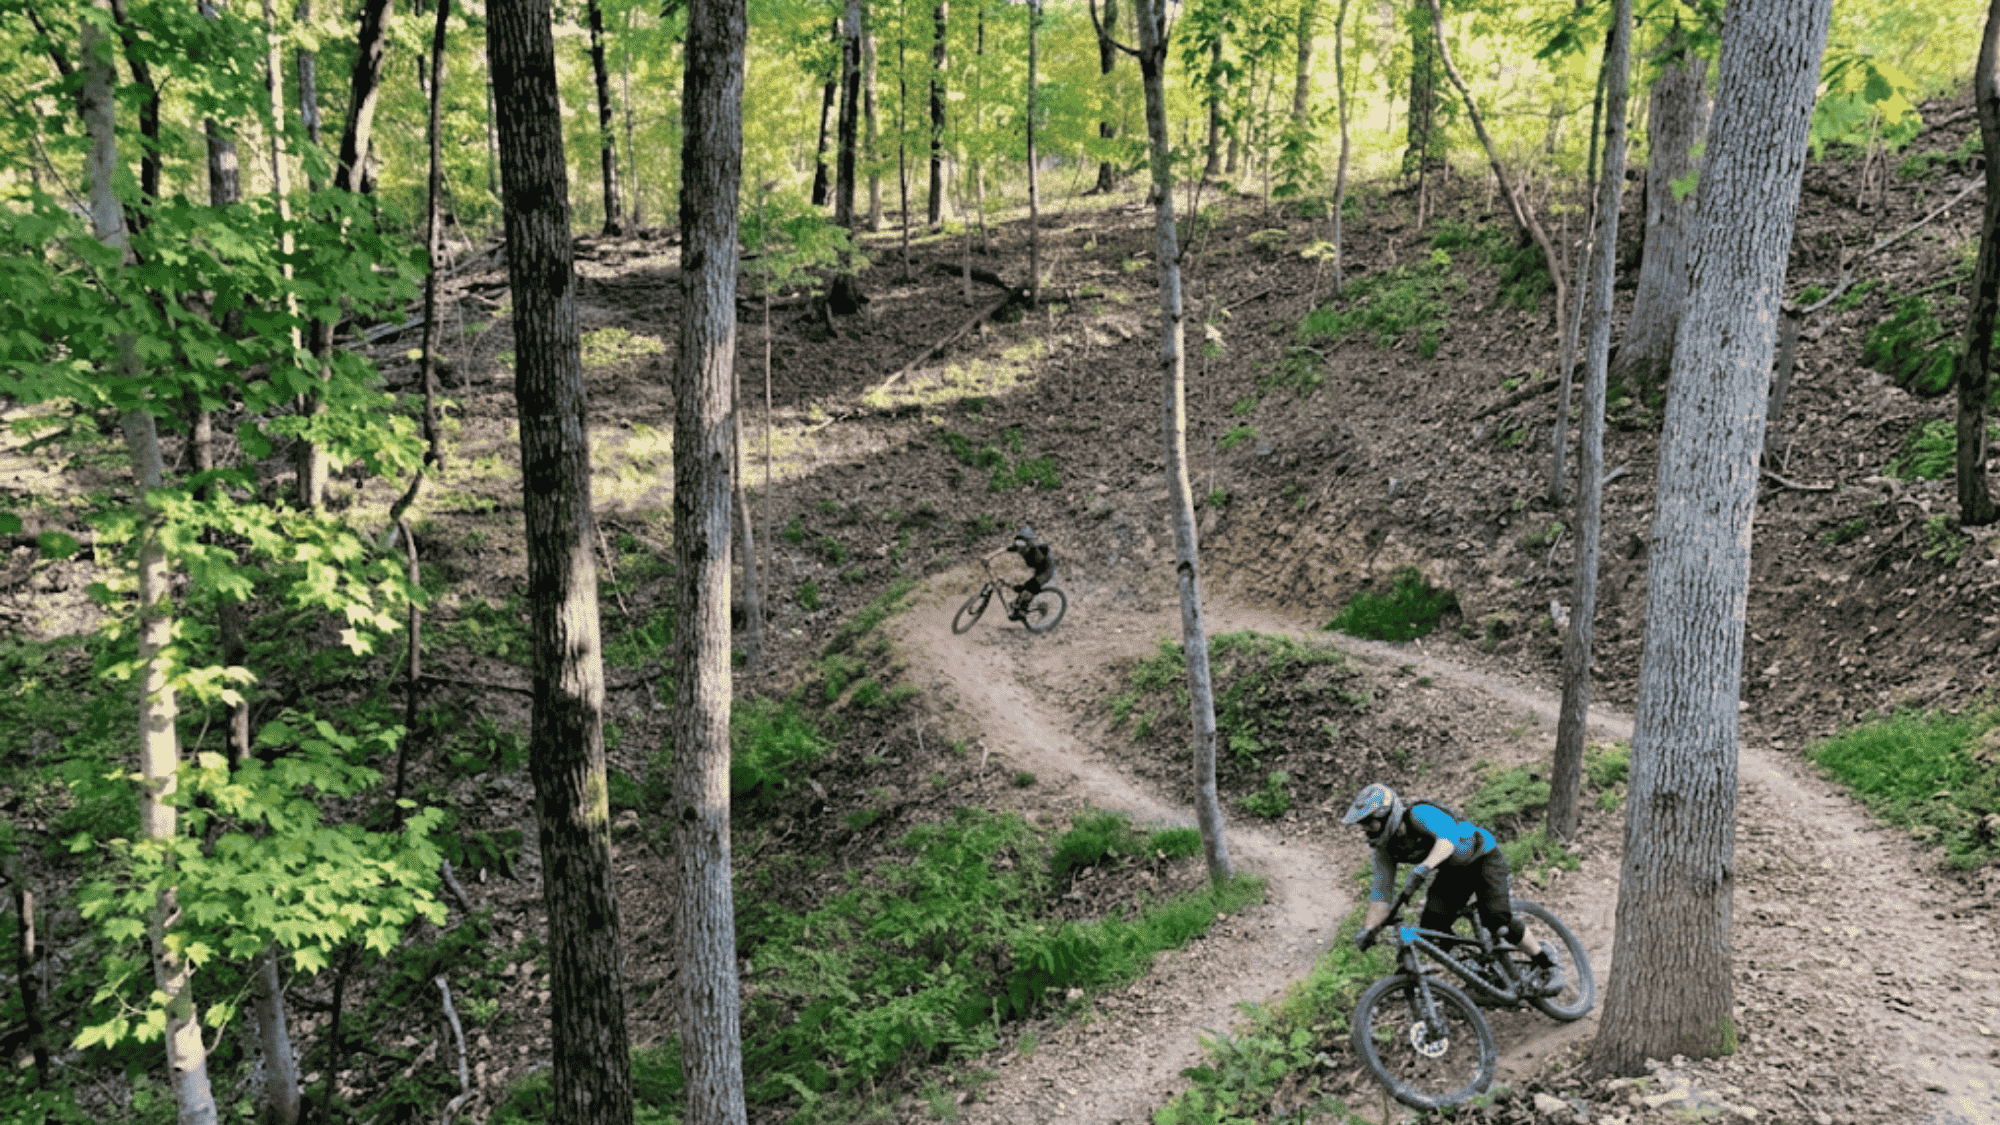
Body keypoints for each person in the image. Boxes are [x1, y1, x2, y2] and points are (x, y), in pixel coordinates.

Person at [1342, 782, 1561, 990]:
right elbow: (1381, 892)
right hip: (1453, 872)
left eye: (1369, 822)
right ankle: (1476, 973)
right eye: (1363, 824)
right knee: (1431, 930)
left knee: (1496, 919)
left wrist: (1423, 868)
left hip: (1483, 858)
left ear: (1387, 814)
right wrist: (1368, 930)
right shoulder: (1384, 851)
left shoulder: (1419, 814)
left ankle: (1547, 964)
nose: (1366, 829)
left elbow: (1447, 839)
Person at [985, 526, 1056, 621]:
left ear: (1029, 544)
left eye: (1022, 543)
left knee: (1029, 587)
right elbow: (1003, 550)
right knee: (1021, 589)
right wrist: (989, 557)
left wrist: (1026, 587)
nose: (1019, 547)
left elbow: (1041, 560)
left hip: (1046, 571)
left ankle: (1023, 611)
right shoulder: (1020, 547)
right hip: (1037, 569)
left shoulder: (1036, 552)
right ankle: (1020, 604)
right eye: (1018, 543)